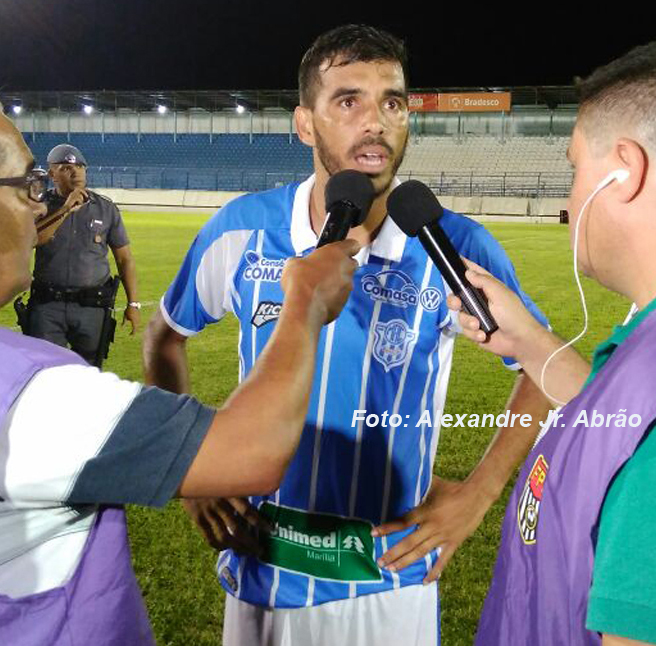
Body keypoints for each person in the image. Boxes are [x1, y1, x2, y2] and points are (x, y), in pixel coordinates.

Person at [143, 24, 552, 646]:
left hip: (387, 576)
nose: (377, 121)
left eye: (393, 101)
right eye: (349, 101)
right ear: (305, 124)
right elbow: (164, 338)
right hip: (264, 568)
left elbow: (543, 371)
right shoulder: (240, 231)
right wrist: (190, 475)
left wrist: (478, 495)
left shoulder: (455, 245)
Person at [0, 111, 359, 645]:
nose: (38, 199)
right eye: (25, 182)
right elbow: (253, 451)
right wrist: (303, 301)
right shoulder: (34, 396)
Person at [447, 38, 656, 646]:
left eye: (576, 170)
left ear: (624, 171)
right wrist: (526, 338)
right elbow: (618, 428)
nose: (569, 201)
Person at [25, 143, 140, 367]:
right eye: (66, 167)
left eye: (80, 166)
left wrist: (133, 304)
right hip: (47, 307)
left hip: (92, 308)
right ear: (52, 174)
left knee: (88, 375)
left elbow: (124, 259)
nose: (75, 171)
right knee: (45, 374)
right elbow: (33, 240)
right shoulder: (40, 207)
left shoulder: (105, 209)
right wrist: (65, 210)